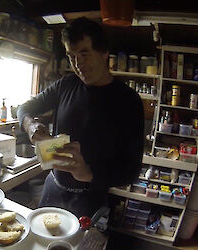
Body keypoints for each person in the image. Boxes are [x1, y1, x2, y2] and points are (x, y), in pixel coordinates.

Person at [17, 17, 144, 218]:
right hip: (53, 186)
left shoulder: (128, 101)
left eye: (84, 54)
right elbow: (24, 108)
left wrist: (88, 173)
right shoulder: (66, 84)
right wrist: (31, 125)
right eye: (71, 56)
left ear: (104, 53)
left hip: (92, 197)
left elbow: (131, 170)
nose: (78, 64)